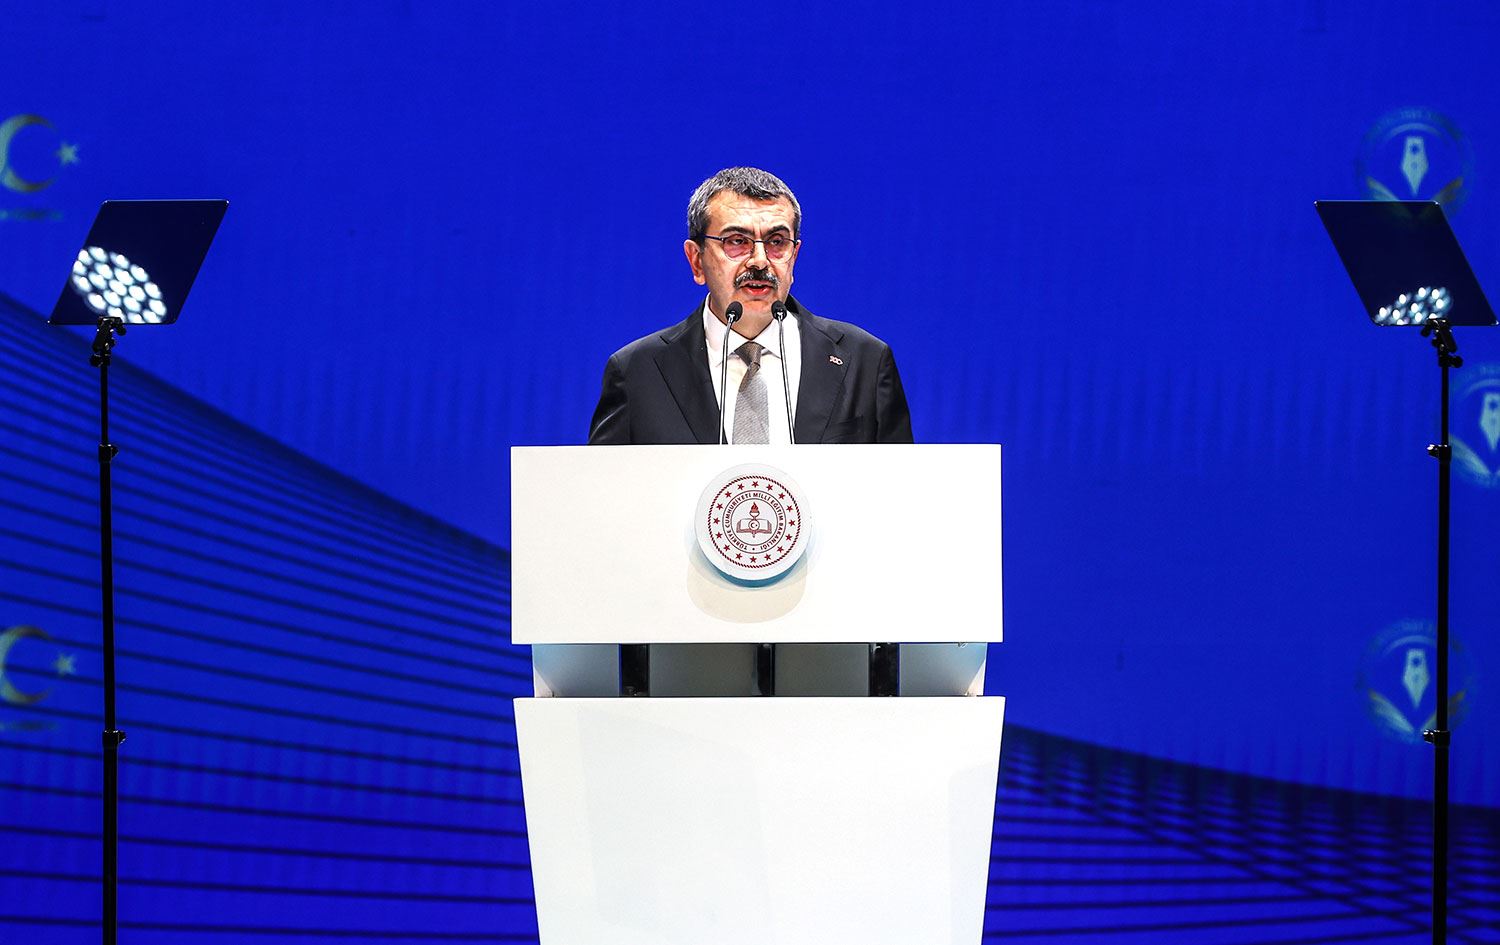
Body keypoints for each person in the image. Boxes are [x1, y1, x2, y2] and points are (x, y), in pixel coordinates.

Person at [588, 166, 913, 445]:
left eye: (776, 242)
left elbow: (899, 489)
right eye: (737, 242)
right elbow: (604, 492)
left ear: (794, 256)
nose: (759, 260)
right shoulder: (637, 373)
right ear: (696, 261)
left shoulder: (864, 361)